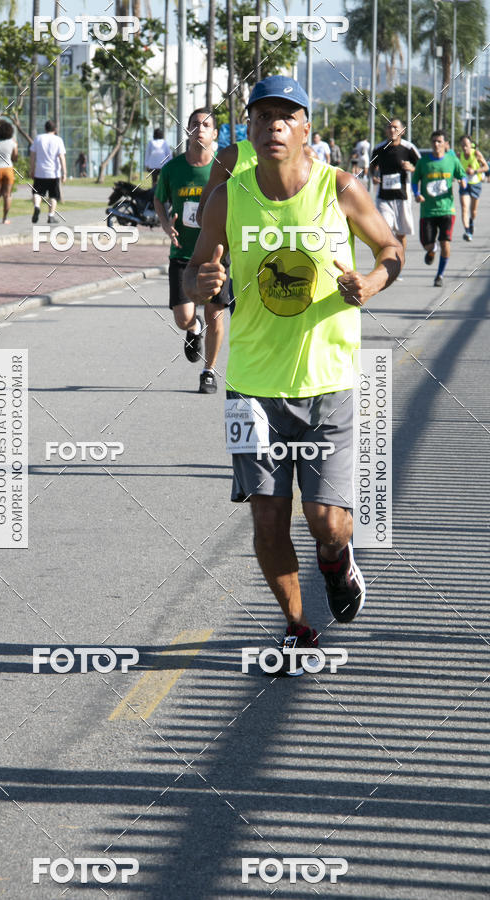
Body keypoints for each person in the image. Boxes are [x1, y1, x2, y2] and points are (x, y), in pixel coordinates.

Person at [183, 75, 403, 672]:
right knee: (267, 513)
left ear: (307, 128)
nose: (275, 125)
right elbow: (195, 268)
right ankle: (298, 626)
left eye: (287, 116)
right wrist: (201, 282)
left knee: (325, 522)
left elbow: (391, 249)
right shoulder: (229, 197)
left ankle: (337, 560)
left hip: (329, 381)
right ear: (249, 131)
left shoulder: (341, 189)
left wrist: (373, 281)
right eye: (263, 116)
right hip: (252, 386)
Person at [154, 108, 230, 394]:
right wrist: (165, 224)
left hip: (218, 254)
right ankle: (193, 329)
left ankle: (208, 371)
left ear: (214, 134)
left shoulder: (223, 170)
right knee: (183, 317)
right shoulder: (173, 169)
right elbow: (159, 201)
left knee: (216, 314)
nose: (200, 128)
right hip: (183, 255)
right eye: (195, 124)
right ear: (187, 131)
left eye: (206, 125)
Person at [412, 130, 467, 287]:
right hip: (427, 211)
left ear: (445, 144)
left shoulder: (452, 160)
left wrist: (464, 182)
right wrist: (416, 194)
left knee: (445, 243)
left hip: (447, 210)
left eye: (439, 141)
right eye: (434, 141)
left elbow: (462, 175)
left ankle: (440, 275)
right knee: (427, 244)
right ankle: (432, 249)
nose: (436, 144)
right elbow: (415, 181)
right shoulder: (423, 162)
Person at [370, 119, 420, 255]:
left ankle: (399, 264)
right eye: (389, 127)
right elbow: (371, 167)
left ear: (402, 131)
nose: (392, 130)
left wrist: (412, 168)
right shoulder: (379, 149)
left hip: (402, 197)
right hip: (383, 198)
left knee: (401, 234)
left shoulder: (408, 148)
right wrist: (373, 176)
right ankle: (387, 262)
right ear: (386, 130)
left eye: (395, 128)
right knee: (385, 231)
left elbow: (422, 168)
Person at [30, 120, 66, 224]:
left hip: (40, 172)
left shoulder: (38, 138)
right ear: (55, 129)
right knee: (53, 196)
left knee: (37, 193)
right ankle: (51, 216)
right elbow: (61, 157)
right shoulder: (58, 140)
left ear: (45, 128)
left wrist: (32, 169)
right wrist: (64, 173)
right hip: (53, 173)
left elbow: (32, 155)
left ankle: (37, 206)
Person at [458, 134, 488, 241]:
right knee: (464, 208)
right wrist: (458, 178)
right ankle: (467, 231)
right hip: (464, 184)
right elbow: (455, 169)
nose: (464, 147)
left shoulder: (476, 154)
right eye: (462, 145)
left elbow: (486, 167)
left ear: (471, 145)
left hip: (476, 184)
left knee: (473, 210)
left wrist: (474, 171)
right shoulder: (459, 155)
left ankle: (471, 221)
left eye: (466, 145)